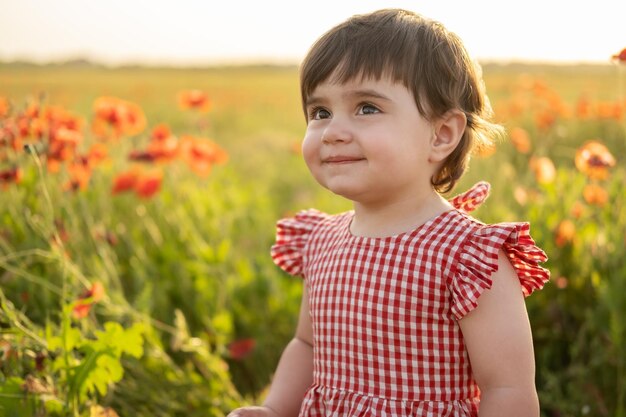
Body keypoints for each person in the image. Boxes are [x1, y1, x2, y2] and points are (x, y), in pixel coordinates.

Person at [228, 8, 549, 417]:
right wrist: (275, 410)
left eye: (366, 108)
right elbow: (307, 346)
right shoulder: (321, 240)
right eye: (320, 112)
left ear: (441, 134)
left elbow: (508, 388)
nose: (333, 131)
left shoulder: (468, 256)